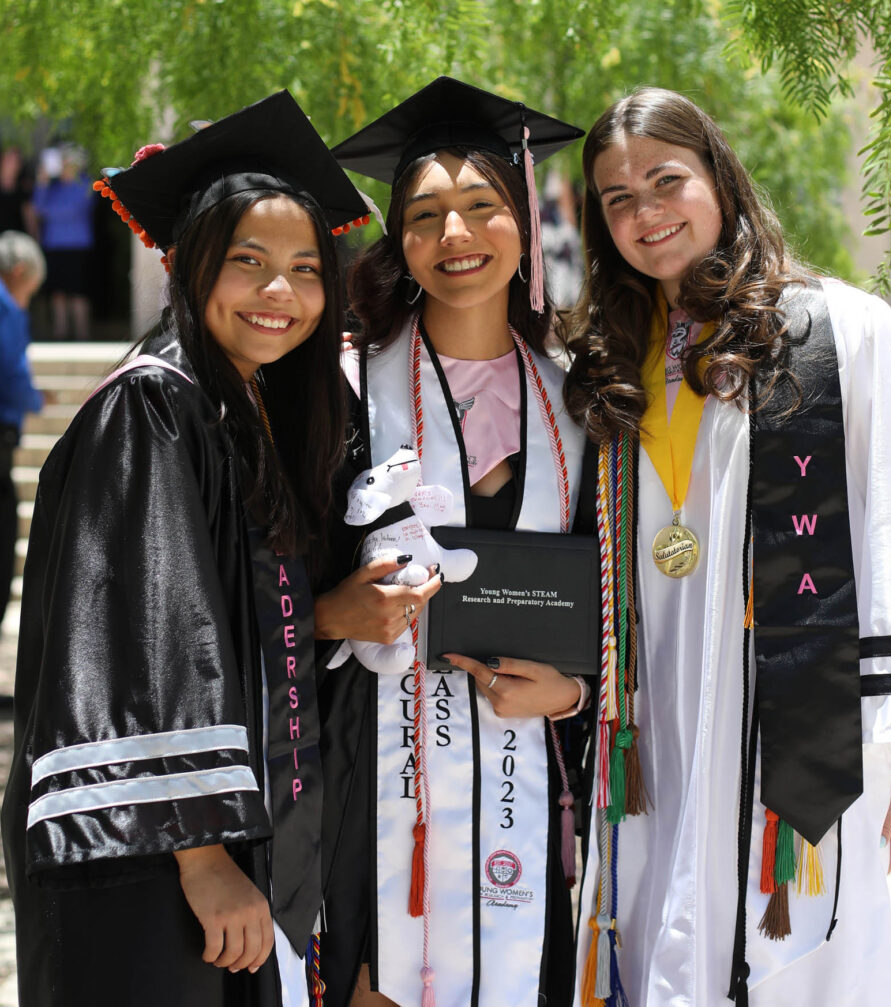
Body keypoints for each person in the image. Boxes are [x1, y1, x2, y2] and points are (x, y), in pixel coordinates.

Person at [562, 87, 891, 1007]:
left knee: (789, 956)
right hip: (651, 719)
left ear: (720, 177)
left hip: (788, 719)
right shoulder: (606, 360)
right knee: (650, 915)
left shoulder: (841, 330)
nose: (646, 212)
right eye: (618, 198)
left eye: (666, 180)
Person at [1, 91, 376, 1007]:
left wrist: (329, 613)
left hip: (203, 840)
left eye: (306, 268)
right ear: (191, 262)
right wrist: (203, 857)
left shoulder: (234, 407)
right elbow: (142, 644)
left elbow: (228, 618)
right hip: (148, 853)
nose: (280, 292)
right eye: (249, 262)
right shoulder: (151, 405)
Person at [320, 76, 588, 1006]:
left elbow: (625, 607)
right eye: (425, 216)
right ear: (399, 241)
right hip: (378, 780)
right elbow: (275, 587)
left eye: (482, 206)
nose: (455, 235)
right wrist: (331, 614)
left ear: (526, 222)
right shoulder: (345, 391)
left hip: (531, 786)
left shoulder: (583, 403)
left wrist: (574, 692)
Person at [0, 230, 47, 631]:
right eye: (29, 291)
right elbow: (13, 372)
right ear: (17, 273)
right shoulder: (5, 307)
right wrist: (35, 400)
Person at [32, 145, 95, 340]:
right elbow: (38, 208)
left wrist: (51, 212)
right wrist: (42, 183)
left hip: (77, 245)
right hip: (54, 244)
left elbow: (73, 209)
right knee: (58, 293)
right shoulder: (52, 187)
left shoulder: (85, 183)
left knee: (78, 292)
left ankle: (82, 335)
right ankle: (60, 334)